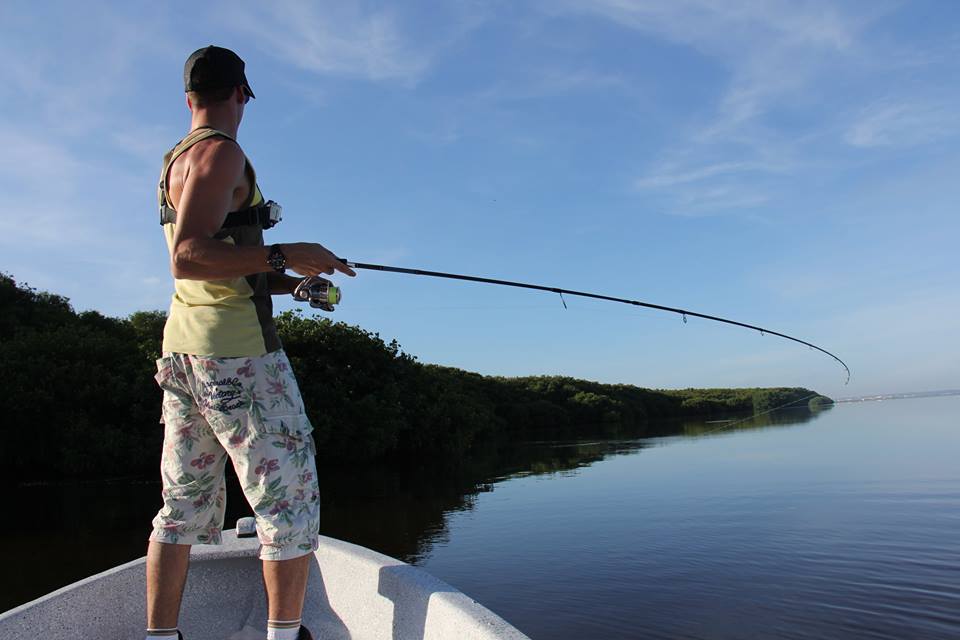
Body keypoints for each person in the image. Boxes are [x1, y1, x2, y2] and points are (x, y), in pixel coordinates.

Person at [146, 45, 355, 640]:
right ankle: (285, 636)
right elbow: (189, 258)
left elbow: (217, 259)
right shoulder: (222, 152)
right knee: (288, 504)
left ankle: (160, 637)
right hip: (238, 358)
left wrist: (290, 283)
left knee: (181, 509)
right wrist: (289, 251)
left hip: (184, 354)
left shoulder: (176, 160)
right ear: (242, 94)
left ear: (190, 98)